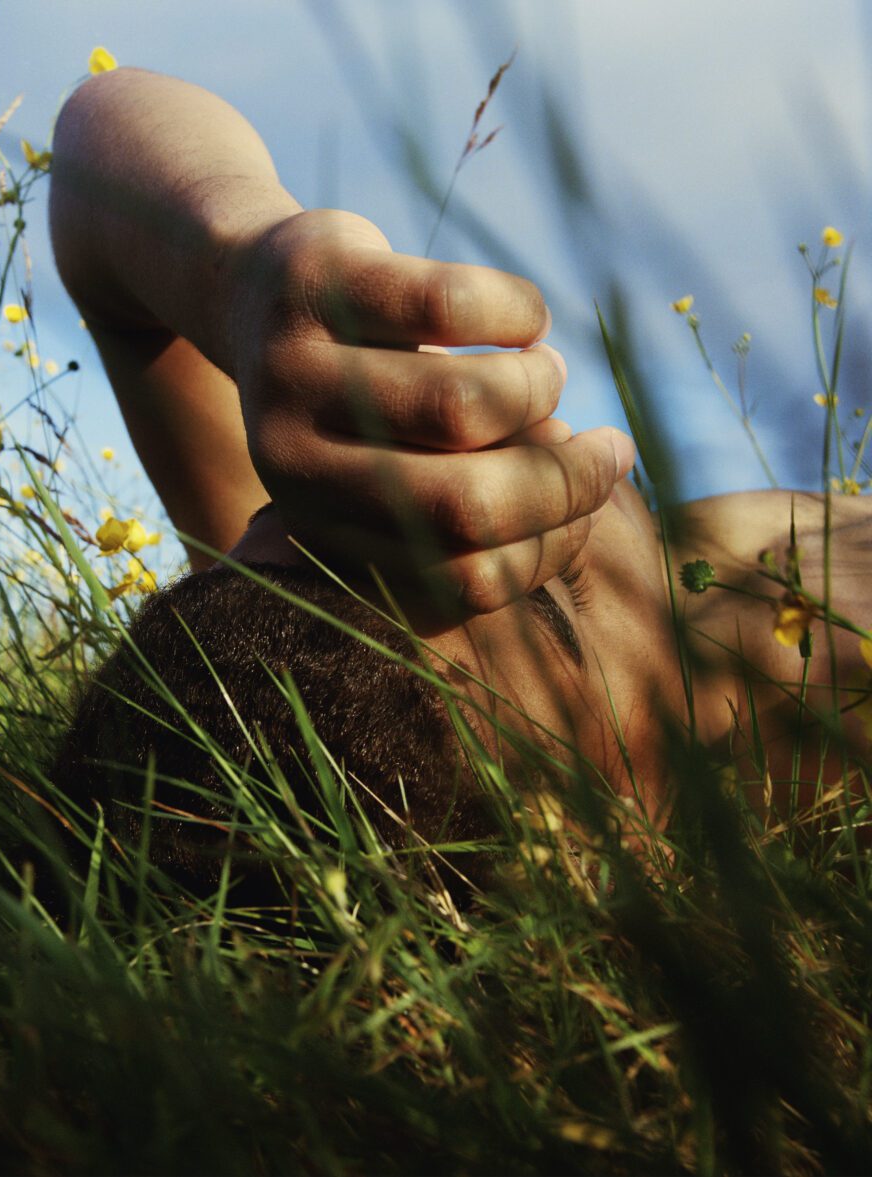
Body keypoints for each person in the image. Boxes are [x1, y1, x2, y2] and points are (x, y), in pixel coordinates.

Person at [48, 69, 871, 891]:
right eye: (550, 585)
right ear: (607, 851)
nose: (501, 478)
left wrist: (248, 263)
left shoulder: (283, 666)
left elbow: (95, 134)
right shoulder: (823, 768)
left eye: (357, 500)